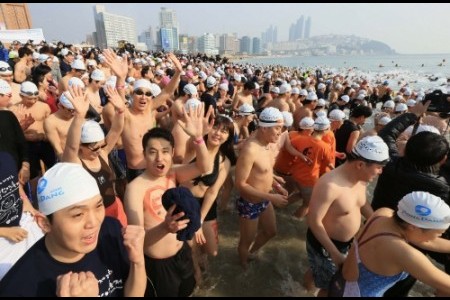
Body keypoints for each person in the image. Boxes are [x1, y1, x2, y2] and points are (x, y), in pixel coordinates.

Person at [0, 163, 146, 296]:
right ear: (44, 223)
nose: (94, 223)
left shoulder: (111, 231)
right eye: (78, 214)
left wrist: (138, 262)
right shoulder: (20, 286)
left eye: (98, 206)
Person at [124, 103, 213, 297]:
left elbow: (204, 167)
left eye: (165, 151)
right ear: (144, 154)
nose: (159, 158)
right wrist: (165, 227)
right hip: (158, 264)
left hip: (181, 252)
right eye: (152, 151)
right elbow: (136, 241)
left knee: (188, 290)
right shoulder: (134, 189)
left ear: (172, 153)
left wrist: (198, 138)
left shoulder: (173, 174)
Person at [306, 135, 389, 296]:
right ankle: (310, 287)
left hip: (345, 243)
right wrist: (334, 254)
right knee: (330, 288)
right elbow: (314, 221)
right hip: (325, 245)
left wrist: (379, 223)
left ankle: (305, 287)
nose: (380, 172)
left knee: (317, 270)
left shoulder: (361, 179)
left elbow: (362, 203)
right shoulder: (330, 185)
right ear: (360, 164)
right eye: (378, 167)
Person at [329, 191, 450, 297]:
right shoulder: (404, 254)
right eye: (439, 233)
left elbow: (428, 241)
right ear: (414, 227)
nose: (439, 236)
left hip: (340, 284)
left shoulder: (383, 214)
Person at [180, 114, 237, 283]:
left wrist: (199, 221)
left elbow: (212, 192)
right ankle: (196, 272)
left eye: (224, 131)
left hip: (205, 205)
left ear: (228, 137)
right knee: (191, 249)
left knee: (212, 251)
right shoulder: (194, 146)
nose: (218, 133)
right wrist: (198, 134)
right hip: (185, 202)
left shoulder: (223, 161)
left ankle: (198, 255)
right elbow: (194, 140)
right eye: (216, 127)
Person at [62, 85, 127, 227]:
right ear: (81, 146)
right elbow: (71, 147)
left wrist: (121, 110)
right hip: (94, 216)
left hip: (114, 207)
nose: (99, 150)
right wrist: (79, 116)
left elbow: (116, 130)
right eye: (94, 147)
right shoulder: (75, 162)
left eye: (102, 145)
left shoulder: (102, 153)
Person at [235, 107, 289, 270]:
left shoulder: (267, 144)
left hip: (265, 199)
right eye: (278, 128)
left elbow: (263, 172)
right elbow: (240, 184)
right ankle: (242, 266)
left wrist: (276, 185)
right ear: (264, 128)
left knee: (271, 232)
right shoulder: (251, 149)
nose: (280, 133)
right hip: (250, 203)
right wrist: (272, 197)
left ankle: (250, 253)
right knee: (246, 241)